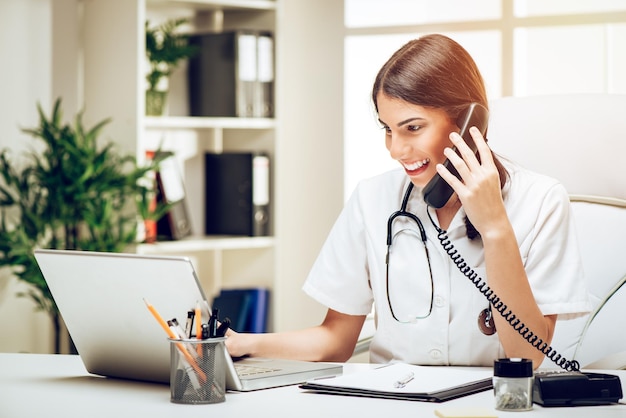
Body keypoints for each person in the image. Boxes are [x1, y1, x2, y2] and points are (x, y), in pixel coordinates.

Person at [225, 34, 590, 368]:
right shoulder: (373, 198)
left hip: (488, 405)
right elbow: (335, 340)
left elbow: (526, 355)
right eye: (388, 129)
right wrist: (240, 344)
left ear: (468, 120)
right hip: (392, 402)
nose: (395, 150)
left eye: (413, 128)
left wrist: (495, 228)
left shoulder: (541, 201)